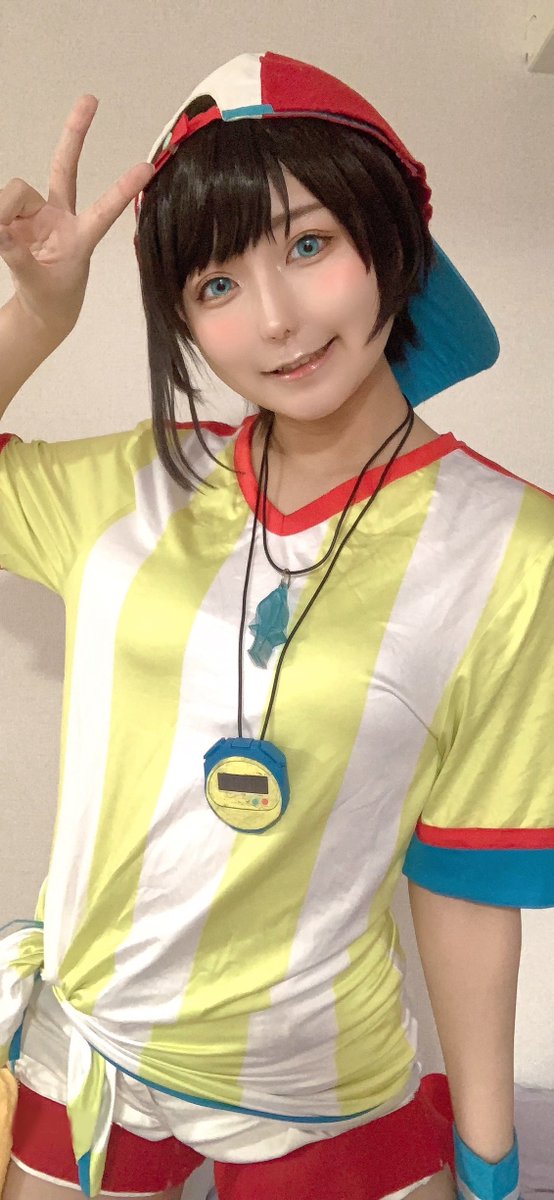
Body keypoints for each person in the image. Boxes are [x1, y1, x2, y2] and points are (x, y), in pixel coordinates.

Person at [0, 50, 552, 1200]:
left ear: (387, 237)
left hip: (316, 1080)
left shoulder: (512, 550)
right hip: (88, 1051)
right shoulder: (134, 485)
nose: (276, 320)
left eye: (308, 245)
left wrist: (489, 1160)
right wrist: (38, 316)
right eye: (215, 283)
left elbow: (466, 874)